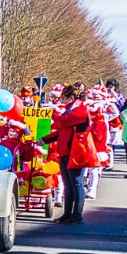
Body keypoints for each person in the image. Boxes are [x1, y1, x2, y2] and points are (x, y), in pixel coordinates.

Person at [43, 82, 90, 225]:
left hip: (76, 152)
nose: (62, 100)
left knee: (76, 183)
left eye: (64, 97)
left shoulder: (81, 110)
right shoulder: (71, 109)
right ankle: (67, 213)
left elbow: (63, 122)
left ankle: (77, 214)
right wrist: (45, 139)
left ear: (71, 97)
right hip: (66, 151)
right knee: (68, 183)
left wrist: (53, 112)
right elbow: (62, 130)